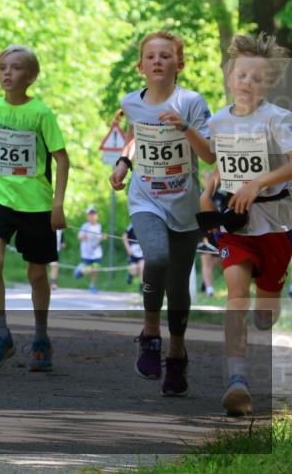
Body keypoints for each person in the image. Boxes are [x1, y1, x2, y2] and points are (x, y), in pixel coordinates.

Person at [110, 31, 214, 397]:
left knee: (179, 286)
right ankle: (150, 333)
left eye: (165, 56)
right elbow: (138, 134)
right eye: (150, 56)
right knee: (155, 256)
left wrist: (184, 128)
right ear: (140, 67)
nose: (157, 61)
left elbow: (210, 156)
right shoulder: (131, 101)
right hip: (145, 198)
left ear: (179, 65)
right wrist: (124, 163)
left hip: (184, 205)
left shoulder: (192, 102)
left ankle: (177, 353)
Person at [198, 33, 292, 416]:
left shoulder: (278, 119)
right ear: (230, 76)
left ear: (268, 83)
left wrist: (257, 184)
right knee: (236, 293)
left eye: (257, 77)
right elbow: (223, 162)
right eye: (242, 75)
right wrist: (211, 188)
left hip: (276, 224)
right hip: (236, 227)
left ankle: (269, 305)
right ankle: (237, 379)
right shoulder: (218, 121)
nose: (248, 83)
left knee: (266, 313)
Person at [0, 45, 70, 373]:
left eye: (14, 68)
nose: (7, 73)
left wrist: (58, 205)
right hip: (0, 198)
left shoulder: (41, 113)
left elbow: (61, 158)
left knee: (37, 274)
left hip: (36, 204)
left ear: (30, 76)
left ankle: (41, 338)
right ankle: (1, 335)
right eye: (2, 67)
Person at [75, 206, 102, 293]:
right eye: (90, 214)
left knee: (96, 269)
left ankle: (92, 285)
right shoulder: (85, 226)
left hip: (96, 252)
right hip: (86, 252)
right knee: (88, 270)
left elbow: (98, 237)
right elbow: (79, 236)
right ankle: (80, 271)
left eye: (94, 214)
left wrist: (102, 237)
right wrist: (85, 236)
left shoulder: (99, 226)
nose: (92, 216)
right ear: (87, 216)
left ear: (97, 215)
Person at [123, 223, 145, 289]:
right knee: (134, 271)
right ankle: (130, 275)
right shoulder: (131, 225)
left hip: (142, 252)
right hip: (133, 252)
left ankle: (142, 288)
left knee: (142, 268)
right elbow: (124, 237)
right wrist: (128, 248)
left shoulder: (146, 224)